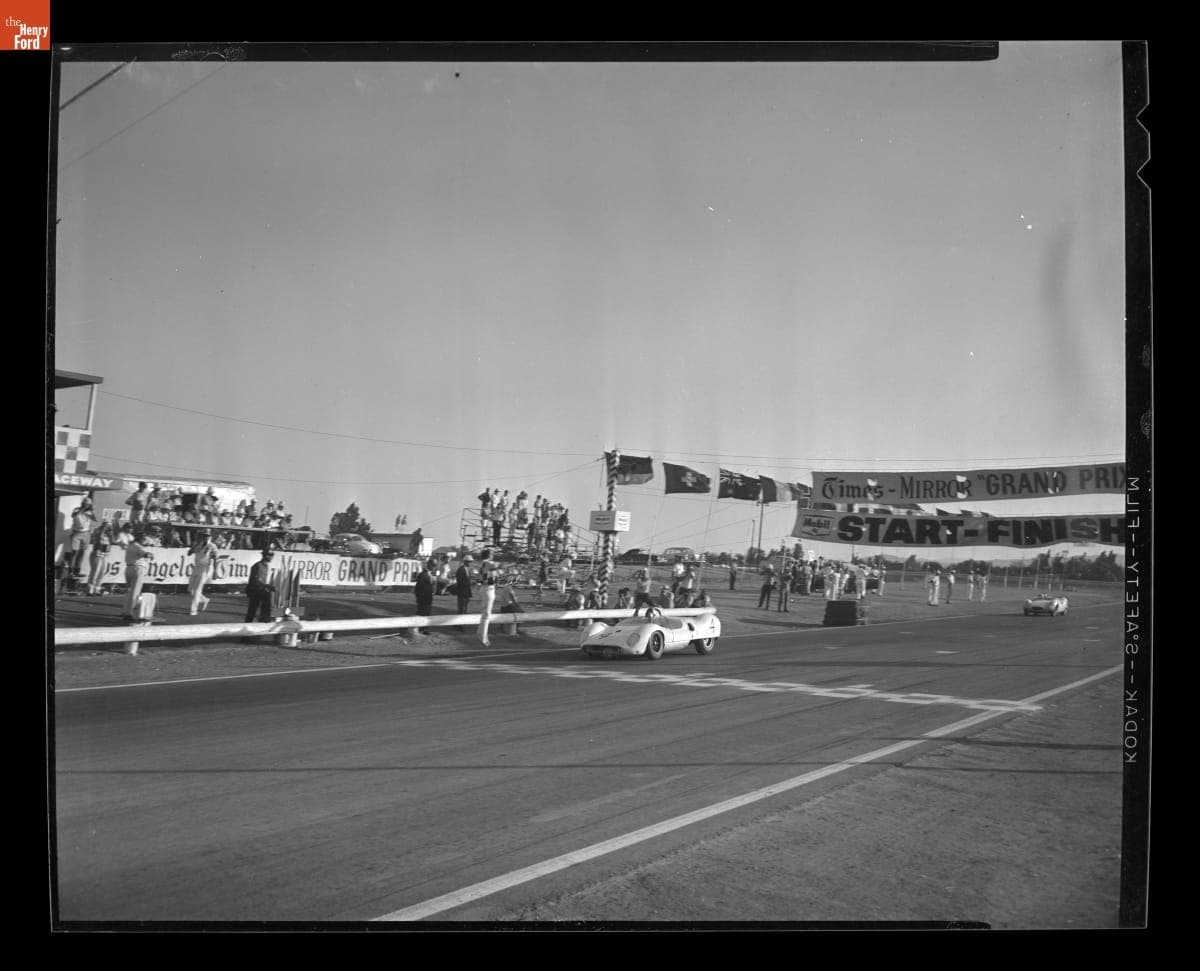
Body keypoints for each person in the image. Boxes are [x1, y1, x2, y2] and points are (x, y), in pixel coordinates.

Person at [121, 529, 156, 621]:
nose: (144, 539)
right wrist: (151, 555)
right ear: (139, 538)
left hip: (129, 568)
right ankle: (129, 613)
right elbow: (146, 554)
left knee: (129, 591)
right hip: (137, 569)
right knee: (135, 592)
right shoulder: (138, 546)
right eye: (142, 537)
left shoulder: (131, 545)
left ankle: (125, 611)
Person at [188, 529, 218, 615]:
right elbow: (189, 553)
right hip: (196, 567)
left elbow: (215, 558)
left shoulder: (212, 546)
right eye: (204, 536)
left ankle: (193, 610)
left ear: (210, 537)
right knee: (191, 590)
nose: (205, 537)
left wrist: (215, 571)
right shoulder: (199, 544)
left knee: (197, 590)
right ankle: (205, 600)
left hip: (205, 568)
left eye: (207, 536)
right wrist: (196, 545)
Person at [476, 549, 500, 646]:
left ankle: (480, 633)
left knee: (485, 614)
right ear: (489, 555)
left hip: (485, 589)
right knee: (486, 615)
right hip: (488, 589)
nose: (493, 555)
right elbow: (497, 568)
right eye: (492, 554)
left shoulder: (483, 564)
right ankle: (483, 638)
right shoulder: (489, 563)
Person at [244, 549, 275, 624]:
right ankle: (246, 630)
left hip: (260, 589)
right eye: (269, 556)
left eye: (272, 556)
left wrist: (268, 586)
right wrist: (267, 586)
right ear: (265, 556)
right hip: (254, 590)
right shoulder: (257, 566)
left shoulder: (266, 566)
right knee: (252, 611)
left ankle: (263, 618)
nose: (271, 557)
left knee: (267, 600)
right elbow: (255, 580)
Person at [68, 503, 95, 582]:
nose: (87, 506)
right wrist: (82, 510)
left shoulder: (89, 512)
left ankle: (77, 570)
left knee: (82, 552)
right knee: (74, 552)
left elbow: (92, 522)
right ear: (83, 504)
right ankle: (70, 571)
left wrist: (90, 531)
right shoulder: (77, 509)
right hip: (77, 533)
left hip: (86, 533)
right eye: (86, 505)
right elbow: (73, 516)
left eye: (89, 505)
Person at [86, 520, 115, 596]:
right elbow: (99, 537)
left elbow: (113, 540)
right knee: (95, 572)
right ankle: (90, 589)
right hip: (97, 554)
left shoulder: (108, 534)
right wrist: (104, 527)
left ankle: (97, 589)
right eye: (108, 525)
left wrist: (111, 532)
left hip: (104, 555)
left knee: (102, 572)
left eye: (110, 526)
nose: (109, 527)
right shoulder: (98, 530)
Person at [414, 558, 436, 634]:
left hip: (429, 598)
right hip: (423, 598)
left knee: (427, 613)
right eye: (433, 565)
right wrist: (419, 597)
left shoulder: (431, 574)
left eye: (435, 565)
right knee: (421, 613)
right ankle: (418, 628)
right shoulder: (423, 574)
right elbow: (417, 587)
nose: (434, 567)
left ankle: (424, 628)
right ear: (429, 565)